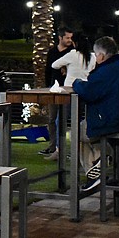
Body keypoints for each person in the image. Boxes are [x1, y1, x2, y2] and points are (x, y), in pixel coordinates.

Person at [71, 36, 119, 191]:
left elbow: (88, 92)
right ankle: (104, 158)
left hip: (113, 122)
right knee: (87, 131)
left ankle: (96, 170)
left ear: (101, 55)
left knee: (77, 132)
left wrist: (76, 82)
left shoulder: (106, 71)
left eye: (96, 55)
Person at [46, 33, 96, 160]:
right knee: (81, 121)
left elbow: (54, 65)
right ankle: (83, 151)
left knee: (60, 121)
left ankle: (59, 150)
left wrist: (66, 67)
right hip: (86, 91)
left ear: (75, 43)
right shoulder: (93, 57)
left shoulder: (72, 55)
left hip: (70, 91)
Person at [42, 27, 74, 155]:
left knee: (62, 120)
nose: (69, 40)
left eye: (71, 38)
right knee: (52, 119)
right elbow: (48, 70)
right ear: (60, 38)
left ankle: (61, 149)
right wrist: (47, 86)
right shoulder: (52, 52)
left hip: (67, 90)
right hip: (53, 89)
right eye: (67, 38)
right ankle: (52, 146)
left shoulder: (72, 52)